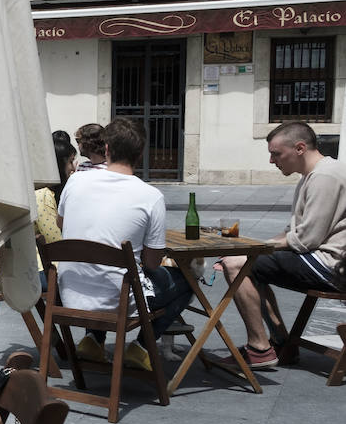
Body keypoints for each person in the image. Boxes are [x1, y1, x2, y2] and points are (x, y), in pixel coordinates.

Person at [57, 118, 193, 371]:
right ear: (141, 154)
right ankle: (141, 347)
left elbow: (61, 224)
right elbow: (152, 263)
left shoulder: (75, 182)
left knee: (102, 270)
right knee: (187, 280)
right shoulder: (150, 196)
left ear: (106, 149)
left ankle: (93, 340)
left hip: (70, 294)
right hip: (118, 303)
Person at [217, 120, 346, 368]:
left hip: (331, 265)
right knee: (243, 261)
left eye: (276, 154)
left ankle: (260, 348)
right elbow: (292, 232)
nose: (272, 161)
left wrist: (250, 254)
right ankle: (281, 343)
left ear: (299, 148)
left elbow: (305, 240)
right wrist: (252, 250)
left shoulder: (324, 177)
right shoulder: (312, 175)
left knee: (237, 266)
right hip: (322, 258)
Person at [35, 133, 77, 287]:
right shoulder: (43, 195)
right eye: (70, 162)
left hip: (47, 267)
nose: (73, 168)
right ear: (59, 165)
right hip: (39, 270)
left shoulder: (52, 192)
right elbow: (56, 243)